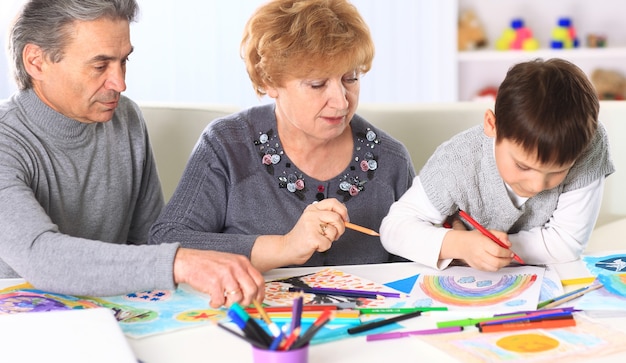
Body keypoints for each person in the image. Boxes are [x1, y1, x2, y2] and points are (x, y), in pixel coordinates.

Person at [0, 0, 264, 308]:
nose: (120, 83)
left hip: (118, 313)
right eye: (100, 66)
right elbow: (40, 256)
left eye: (124, 61)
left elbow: (148, 241)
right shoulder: (7, 140)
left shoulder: (126, 119)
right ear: (36, 62)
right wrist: (180, 262)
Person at [149, 0, 415, 272]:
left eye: (351, 78)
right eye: (317, 84)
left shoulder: (391, 159)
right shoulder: (227, 145)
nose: (341, 102)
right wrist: (284, 246)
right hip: (254, 314)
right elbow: (167, 242)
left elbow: (418, 266)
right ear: (269, 82)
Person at [380, 58, 615, 272]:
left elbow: (566, 243)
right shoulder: (458, 161)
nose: (537, 185)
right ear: (492, 125)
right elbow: (393, 229)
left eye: (558, 171)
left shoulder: (587, 144)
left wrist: (487, 249)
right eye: (523, 166)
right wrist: (459, 246)